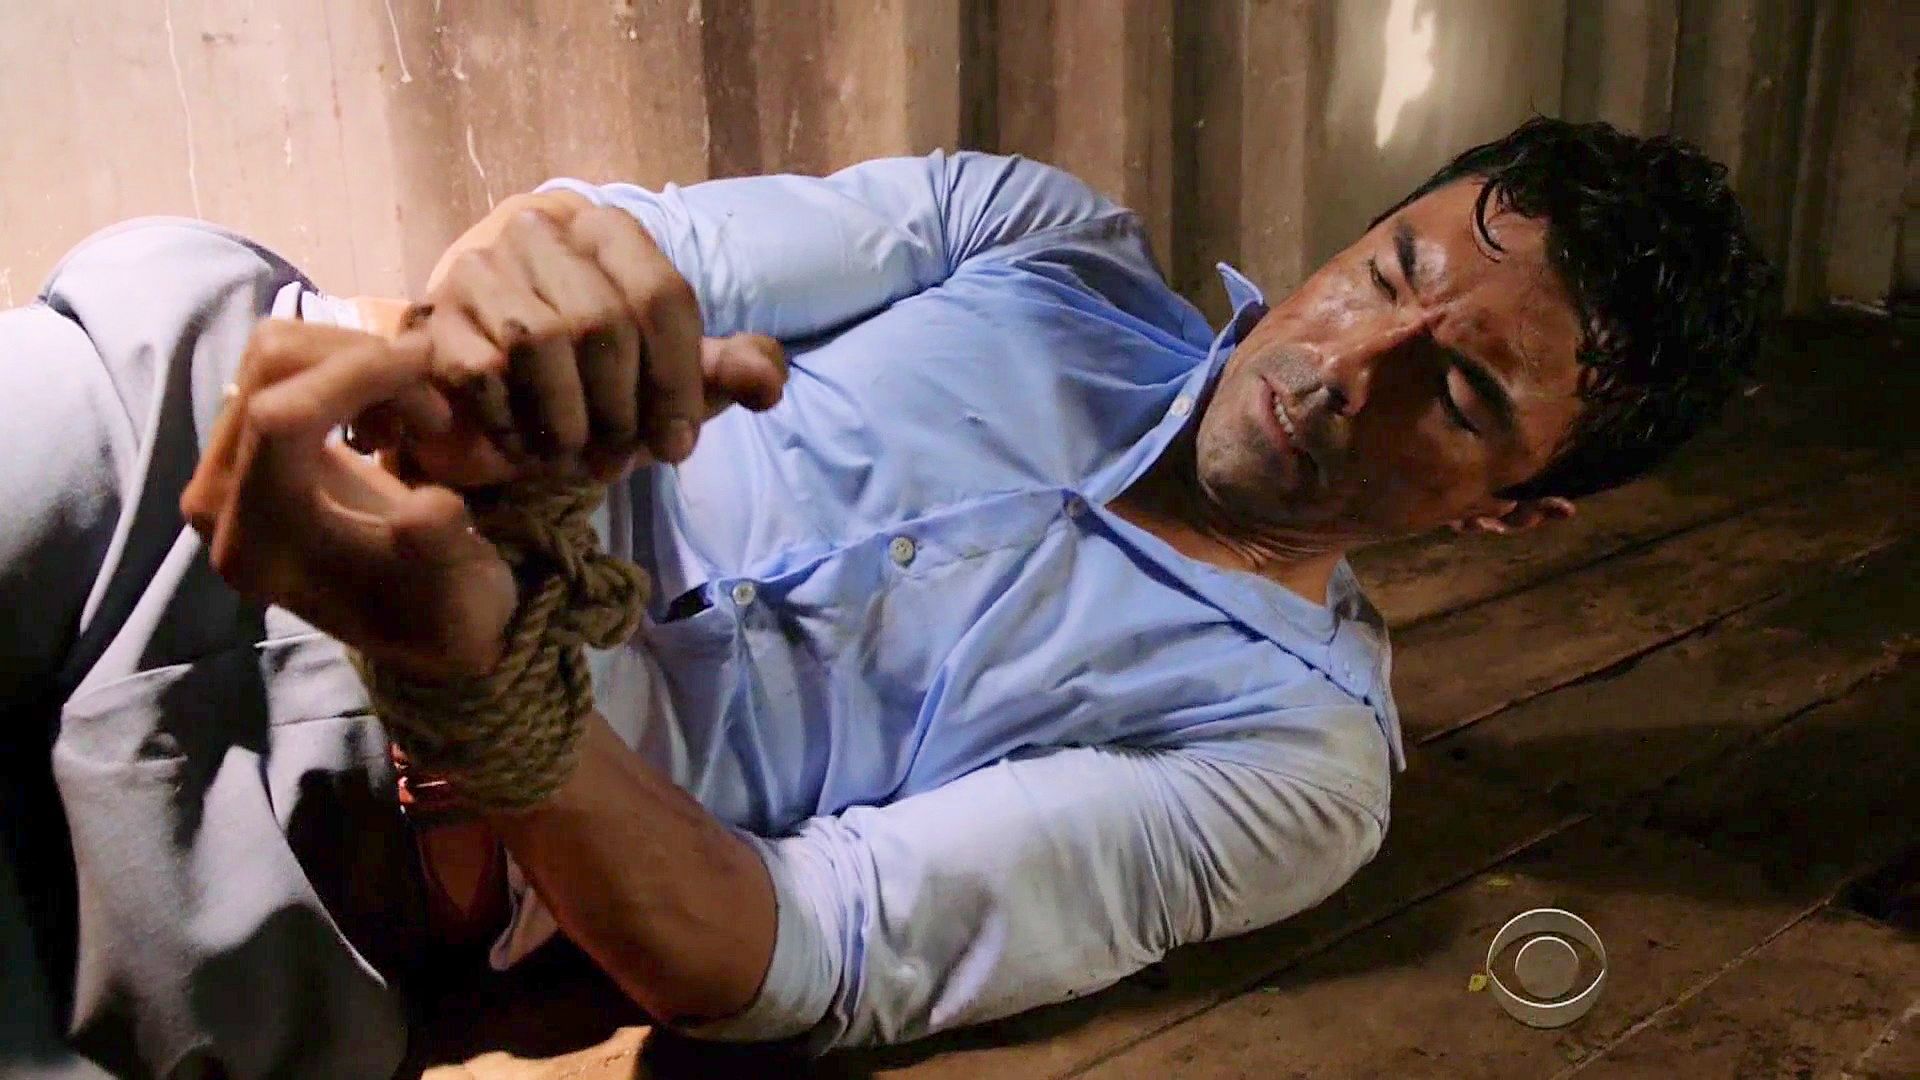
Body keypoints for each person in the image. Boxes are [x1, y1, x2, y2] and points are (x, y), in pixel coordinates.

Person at [1, 118, 1772, 1076]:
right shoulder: (1034, 237)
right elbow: (608, 250)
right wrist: (510, 325)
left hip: (337, 852)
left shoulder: (1297, 765)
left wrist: (484, 690)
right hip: (209, 434)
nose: (1342, 365)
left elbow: (785, 954)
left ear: (1515, 512)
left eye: (1456, 392)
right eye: (1386, 272)